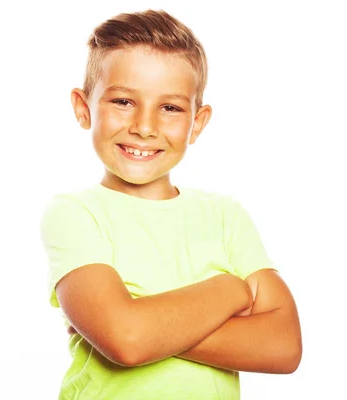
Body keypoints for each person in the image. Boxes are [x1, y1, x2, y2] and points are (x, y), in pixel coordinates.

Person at [38, 9, 302, 400]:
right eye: (124, 101)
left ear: (197, 122)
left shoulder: (224, 216)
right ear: (84, 107)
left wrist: (147, 324)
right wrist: (230, 291)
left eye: (171, 108)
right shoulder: (75, 214)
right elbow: (127, 340)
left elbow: (283, 347)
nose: (145, 127)